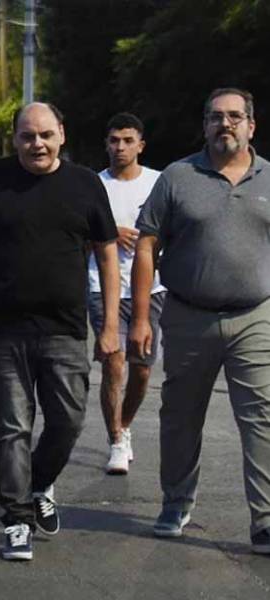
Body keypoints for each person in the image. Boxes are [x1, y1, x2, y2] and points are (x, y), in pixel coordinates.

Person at [0, 103, 120, 561]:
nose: (36, 144)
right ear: (15, 138)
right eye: (27, 136)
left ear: (61, 134)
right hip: (4, 331)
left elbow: (106, 253)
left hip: (65, 330)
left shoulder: (84, 184)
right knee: (10, 430)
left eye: (45, 135)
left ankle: (39, 482)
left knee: (68, 421)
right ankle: (17, 519)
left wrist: (111, 325)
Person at [129, 87, 270, 553]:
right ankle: (176, 503)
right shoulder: (177, 176)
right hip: (188, 315)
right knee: (180, 417)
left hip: (255, 317)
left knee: (262, 420)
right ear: (204, 124)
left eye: (234, 117)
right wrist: (141, 317)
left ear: (252, 125)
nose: (224, 124)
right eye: (215, 117)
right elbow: (146, 242)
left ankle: (266, 520)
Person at [87, 113, 164, 475]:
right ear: (106, 143)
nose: (120, 147)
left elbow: (177, 227)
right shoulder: (92, 185)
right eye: (114, 140)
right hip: (102, 285)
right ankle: (116, 439)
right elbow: (72, 231)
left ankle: (126, 424)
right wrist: (109, 232)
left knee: (143, 370)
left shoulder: (158, 182)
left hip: (151, 288)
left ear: (140, 145)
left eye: (128, 140)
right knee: (113, 363)